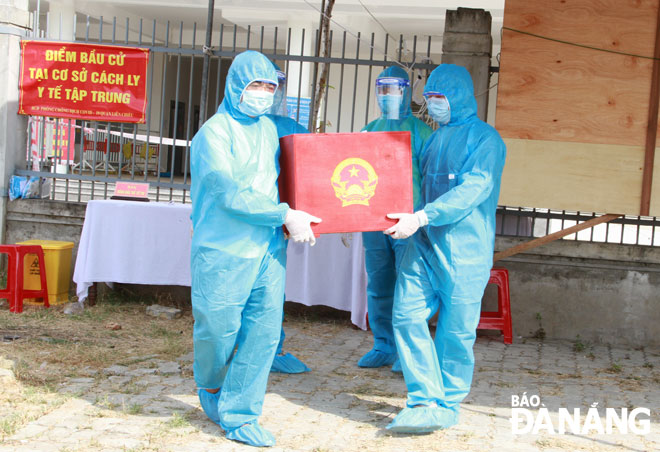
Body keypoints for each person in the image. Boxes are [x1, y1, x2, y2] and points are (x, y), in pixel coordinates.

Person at [190, 50, 321, 447]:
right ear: (236, 86)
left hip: (267, 248)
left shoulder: (267, 130)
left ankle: (241, 413)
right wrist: (283, 214)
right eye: (255, 86)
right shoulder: (213, 133)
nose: (264, 94)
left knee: (262, 334)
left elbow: (282, 178)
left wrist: (307, 212)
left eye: (270, 86)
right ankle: (211, 387)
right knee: (218, 330)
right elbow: (228, 193)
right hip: (223, 250)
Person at [384, 64, 506, 432]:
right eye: (431, 97)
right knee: (406, 316)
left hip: (463, 248)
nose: (435, 104)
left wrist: (423, 217)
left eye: (442, 97)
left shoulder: (486, 140)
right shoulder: (435, 138)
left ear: (461, 96)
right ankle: (424, 398)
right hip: (421, 245)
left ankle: (448, 401)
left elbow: (473, 189)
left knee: (456, 330)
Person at [358, 66, 433, 370]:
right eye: (382, 89)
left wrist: (424, 217)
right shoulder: (369, 129)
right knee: (379, 282)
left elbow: (431, 178)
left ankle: (406, 352)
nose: (388, 95)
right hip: (373, 220)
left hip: (408, 221)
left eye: (394, 89)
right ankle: (384, 345)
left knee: (409, 286)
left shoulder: (422, 132)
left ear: (405, 93)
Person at [266, 65, 313, 374]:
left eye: (275, 85)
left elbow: (316, 171)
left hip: (276, 224)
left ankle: (271, 349)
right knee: (231, 296)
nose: (270, 92)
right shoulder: (227, 128)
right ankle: (227, 352)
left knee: (269, 292)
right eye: (263, 84)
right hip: (238, 224)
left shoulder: (291, 127)